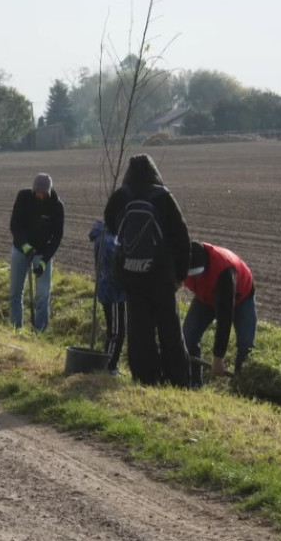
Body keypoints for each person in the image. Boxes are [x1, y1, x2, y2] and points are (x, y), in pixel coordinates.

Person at [104, 154, 191, 387]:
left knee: (139, 329)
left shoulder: (121, 196)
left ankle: (145, 378)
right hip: (161, 276)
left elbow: (110, 225)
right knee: (170, 329)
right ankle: (178, 380)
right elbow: (181, 237)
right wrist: (180, 274)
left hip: (131, 275)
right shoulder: (163, 197)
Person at [182, 241, 257, 383]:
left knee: (245, 343)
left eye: (197, 274)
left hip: (240, 298)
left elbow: (224, 318)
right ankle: (193, 383)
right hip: (205, 297)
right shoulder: (179, 260)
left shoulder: (224, 272)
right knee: (188, 336)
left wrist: (218, 357)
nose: (193, 277)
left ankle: (241, 385)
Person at [8, 173, 65, 332]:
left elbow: (57, 237)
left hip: (42, 252)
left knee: (43, 295)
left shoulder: (57, 206)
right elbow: (15, 225)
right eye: (37, 192)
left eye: (43, 193)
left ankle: (39, 331)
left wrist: (44, 261)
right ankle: (15, 328)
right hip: (21, 250)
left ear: (49, 191)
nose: (40, 195)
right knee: (15, 292)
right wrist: (25, 246)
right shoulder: (23, 197)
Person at [89, 219, 127, 374]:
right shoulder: (109, 241)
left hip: (112, 290)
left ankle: (109, 364)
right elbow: (116, 267)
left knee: (117, 330)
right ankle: (109, 366)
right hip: (113, 292)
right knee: (116, 332)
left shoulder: (106, 237)